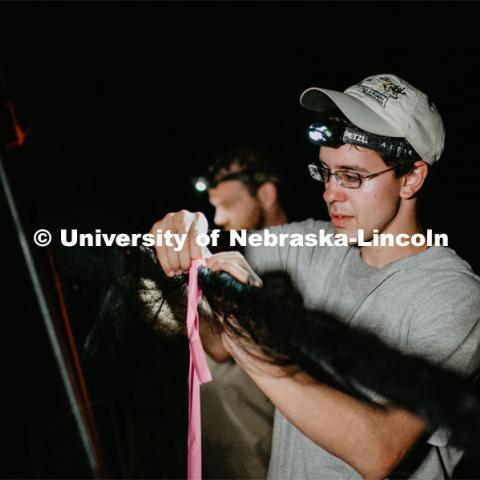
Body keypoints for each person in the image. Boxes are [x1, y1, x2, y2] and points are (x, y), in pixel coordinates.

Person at [151, 74, 480, 478]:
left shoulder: (452, 295)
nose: (330, 193)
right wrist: (184, 229)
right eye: (325, 172)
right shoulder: (313, 244)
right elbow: (217, 252)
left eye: (352, 177)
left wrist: (246, 338)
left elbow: (379, 449)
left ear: (411, 177)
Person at [197, 145, 288, 479]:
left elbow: (220, 350)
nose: (219, 220)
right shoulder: (237, 258)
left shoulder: (309, 252)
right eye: (214, 209)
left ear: (265, 193)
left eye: (227, 206)